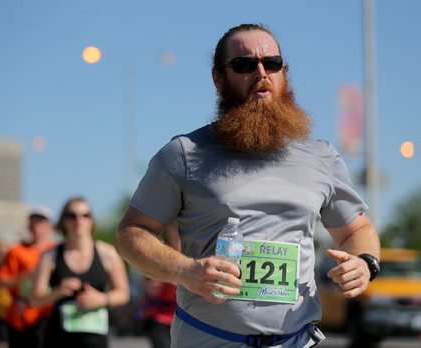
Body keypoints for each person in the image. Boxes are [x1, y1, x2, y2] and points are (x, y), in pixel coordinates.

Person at [115, 23, 381, 348]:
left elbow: (357, 230)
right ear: (219, 78)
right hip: (210, 340)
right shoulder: (184, 154)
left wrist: (364, 263)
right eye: (244, 65)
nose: (261, 73)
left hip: (296, 341)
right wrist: (185, 270)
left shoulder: (320, 157)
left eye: (272, 63)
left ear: (284, 73)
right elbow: (131, 234)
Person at [30, 196, 130, 348]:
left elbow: (123, 294)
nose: (79, 220)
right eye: (72, 216)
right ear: (63, 221)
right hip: (58, 337)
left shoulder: (108, 253)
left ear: (92, 221)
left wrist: (102, 299)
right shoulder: (50, 255)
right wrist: (58, 291)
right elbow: (35, 299)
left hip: (94, 338)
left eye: (85, 215)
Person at [0, 206, 55, 348]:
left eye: (41, 222)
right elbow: (1, 282)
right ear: (28, 225)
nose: (37, 226)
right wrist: (25, 277)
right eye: (33, 222)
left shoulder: (56, 250)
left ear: (49, 227)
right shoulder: (16, 251)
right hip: (21, 317)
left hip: (48, 315)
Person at [138, 222, 180, 348]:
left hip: (184, 319)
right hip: (161, 317)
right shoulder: (160, 252)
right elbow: (151, 289)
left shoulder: (196, 252)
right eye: (173, 224)